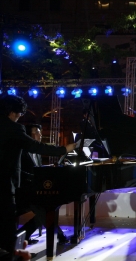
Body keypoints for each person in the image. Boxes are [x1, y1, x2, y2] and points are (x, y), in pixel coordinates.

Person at [0, 95, 76, 260]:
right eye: (19, 114)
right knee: (7, 219)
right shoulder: (13, 128)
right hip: (5, 183)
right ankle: (10, 252)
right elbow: (36, 147)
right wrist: (64, 149)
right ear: (13, 112)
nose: (19, 117)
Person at [16, 124, 67, 245]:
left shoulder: (37, 152)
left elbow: (38, 170)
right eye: (37, 132)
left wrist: (50, 169)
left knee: (50, 205)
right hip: (23, 190)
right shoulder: (22, 151)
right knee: (42, 207)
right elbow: (20, 172)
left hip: (33, 188)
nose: (40, 135)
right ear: (30, 135)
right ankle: (58, 235)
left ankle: (24, 234)